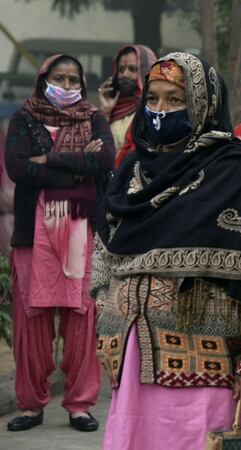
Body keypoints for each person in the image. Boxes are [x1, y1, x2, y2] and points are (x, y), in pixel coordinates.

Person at [92, 53, 241, 450]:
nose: (160, 110)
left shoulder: (234, 171)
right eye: (152, 99)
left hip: (208, 363)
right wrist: (106, 329)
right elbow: (104, 253)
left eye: (175, 100)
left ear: (203, 106)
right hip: (134, 356)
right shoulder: (132, 172)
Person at [4, 54, 114, 432]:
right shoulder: (24, 119)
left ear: (82, 85)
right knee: (31, 323)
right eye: (59, 78)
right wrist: (75, 162)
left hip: (83, 230)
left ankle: (79, 405)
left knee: (83, 320)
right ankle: (31, 405)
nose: (66, 86)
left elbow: (104, 162)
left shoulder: (94, 118)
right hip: (31, 235)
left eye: (73, 80)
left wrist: (48, 161)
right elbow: (18, 168)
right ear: (43, 80)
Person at [96, 45, 157, 164]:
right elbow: (97, 147)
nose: (125, 74)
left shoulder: (153, 110)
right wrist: (105, 111)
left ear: (145, 71)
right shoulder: (113, 108)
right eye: (121, 69)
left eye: (133, 69)